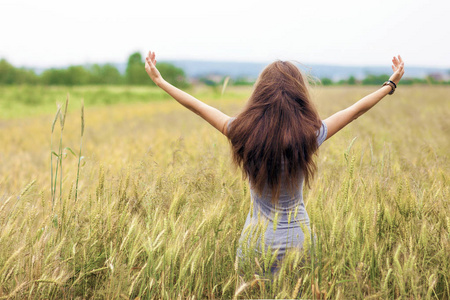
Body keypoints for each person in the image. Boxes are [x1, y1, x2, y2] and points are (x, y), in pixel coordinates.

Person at [144, 51, 405, 275]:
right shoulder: (310, 135)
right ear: (299, 95)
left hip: (255, 243)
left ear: (260, 94)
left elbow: (196, 105)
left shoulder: (240, 130)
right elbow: (355, 110)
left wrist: (161, 81)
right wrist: (389, 84)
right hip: (299, 242)